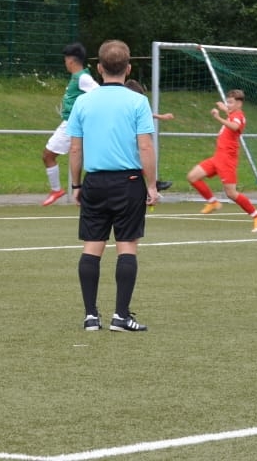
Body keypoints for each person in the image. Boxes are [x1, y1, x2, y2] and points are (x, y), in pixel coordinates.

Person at [67, 39, 158, 332]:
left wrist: (76, 185)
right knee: (127, 246)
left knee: (92, 246)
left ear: (99, 68)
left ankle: (90, 316)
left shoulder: (83, 102)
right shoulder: (138, 102)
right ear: (128, 68)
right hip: (128, 181)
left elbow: (75, 149)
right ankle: (121, 316)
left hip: (94, 181)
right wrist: (152, 185)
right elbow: (145, 146)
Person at [186, 89, 257, 232]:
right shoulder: (233, 114)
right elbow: (231, 116)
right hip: (217, 157)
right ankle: (213, 202)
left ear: (239, 103)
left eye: (231, 102)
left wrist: (218, 117)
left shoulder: (239, 116)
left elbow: (235, 126)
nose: (228, 105)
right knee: (192, 176)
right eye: (227, 102)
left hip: (227, 160)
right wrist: (224, 109)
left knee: (231, 193)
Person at [42, 43, 99, 205]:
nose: (65, 63)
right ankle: (67, 190)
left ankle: (59, 190)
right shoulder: (77, 77)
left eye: (65, 60)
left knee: (48, 155)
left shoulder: (83, 78)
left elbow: (99, 92)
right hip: (70, 122)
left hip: (72, 124)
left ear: (71, 61)